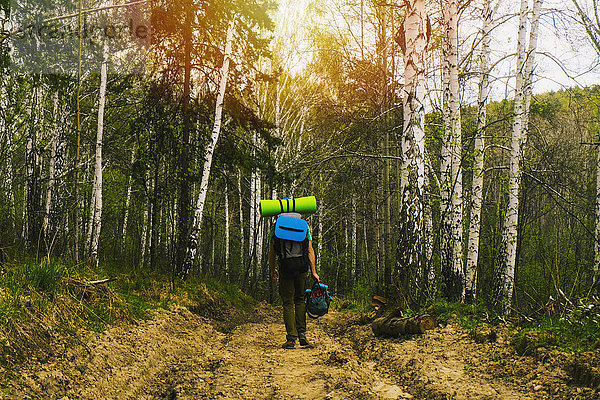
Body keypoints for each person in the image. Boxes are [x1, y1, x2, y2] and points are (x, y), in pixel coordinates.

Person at [269, 212, 319, 349]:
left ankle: (291, 339)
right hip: (302, 267)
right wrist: (314, 271)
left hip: (285, 268)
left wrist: (273, 268)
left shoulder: (276, 227)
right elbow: (310, 250)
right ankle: (302, 334)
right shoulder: (304, 226)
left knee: (288, 302)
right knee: (300, 299)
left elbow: (272, 251)